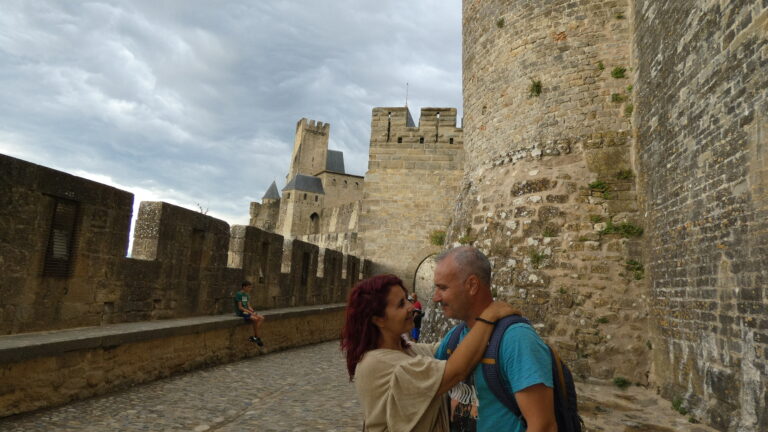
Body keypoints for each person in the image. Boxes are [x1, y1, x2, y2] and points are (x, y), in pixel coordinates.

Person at [341, 274, 519, 432]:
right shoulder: (377, 363)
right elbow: (456, 369)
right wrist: (489, 316)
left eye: (408, 299)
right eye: (401, 304)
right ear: (378, 319)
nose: (411, 307)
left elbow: (452, 348)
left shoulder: (408, 350)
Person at [433, 246, 557, 432]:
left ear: (472, 285)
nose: (435, 298)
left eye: (443, 288)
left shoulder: (516, 339)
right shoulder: (455, 337)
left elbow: (543, 426)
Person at [234, 280, 265, 346]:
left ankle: (254, 337)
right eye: (248, 287)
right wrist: (250, 313)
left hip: (246, 311)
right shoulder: (239, 294)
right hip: (241, 312)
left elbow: (248, 306)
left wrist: (253, 312)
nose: (250, 289)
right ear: (244, 287)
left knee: (261, 318)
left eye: (250, 287)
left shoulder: (246, 295)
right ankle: (257, 337)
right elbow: (240, 307)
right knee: (255, 319)